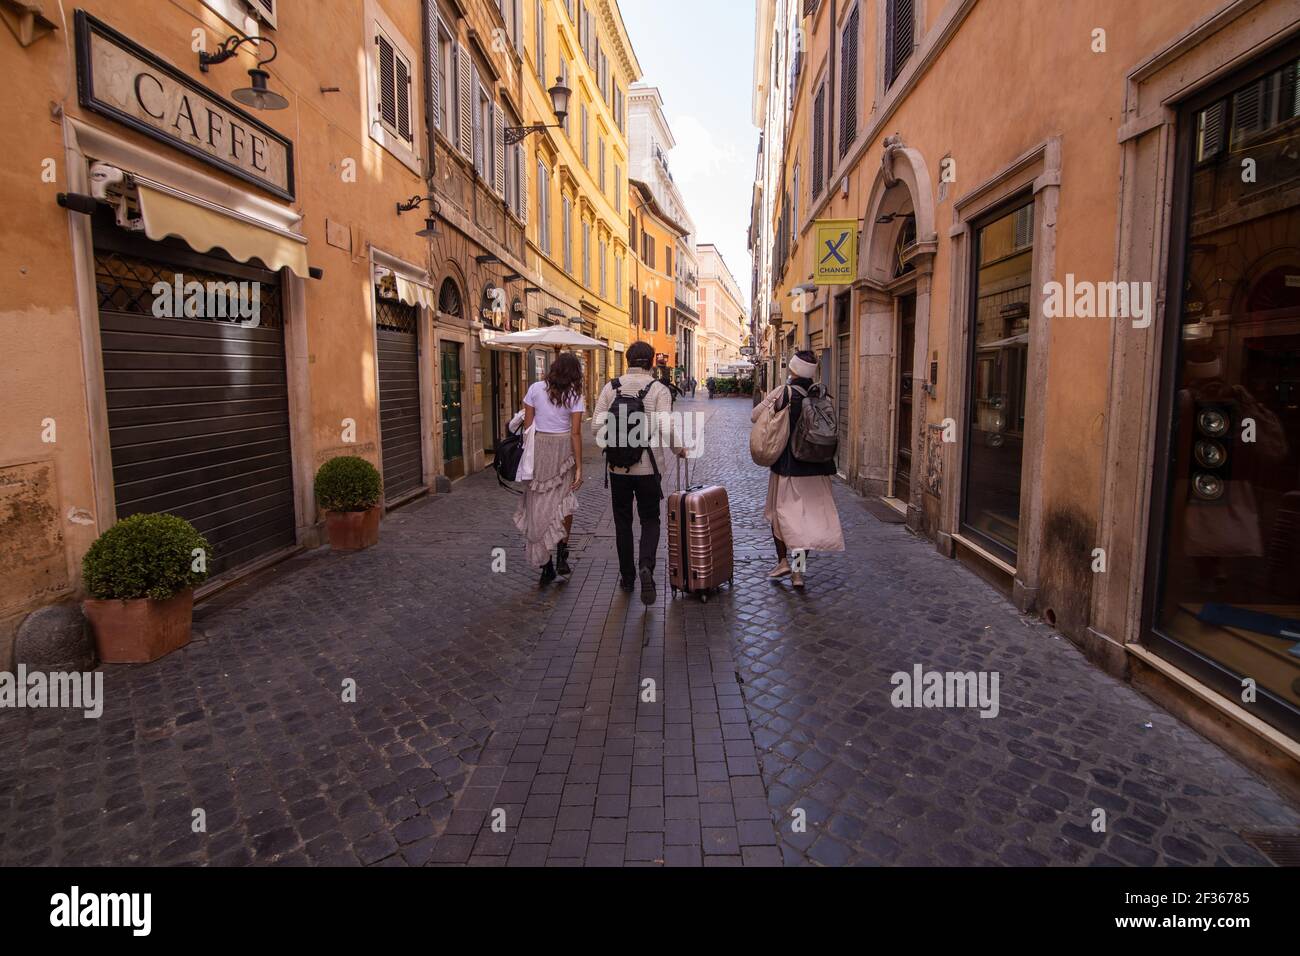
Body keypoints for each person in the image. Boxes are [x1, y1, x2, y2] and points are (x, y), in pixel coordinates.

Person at [593, 341, 686, 604]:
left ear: (628, 361)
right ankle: (646, 565)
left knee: (622, 522)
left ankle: (627, 577)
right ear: (652, 362)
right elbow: (666, 428)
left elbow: (595, 429)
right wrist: (679, 449)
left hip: (617, 468)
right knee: (650, 520)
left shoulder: (611, 388)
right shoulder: (658, 390)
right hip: (648, 467)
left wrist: (617, 438)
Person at [761, 350, 844, 588]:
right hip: (818, 468)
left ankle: (783, 561)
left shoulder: (784, 392)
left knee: (780, 517)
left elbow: (757, 416)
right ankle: (798, 573)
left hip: (787, 468)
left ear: (793, 369)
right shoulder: (822, 395)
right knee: (806, 523)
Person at [515, 352, 585, 586]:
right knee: (564, 501)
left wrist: (528, 457)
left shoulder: (535, 389)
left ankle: (546, 565)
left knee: (537, 502)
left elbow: (528, 426)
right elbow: (576, 433)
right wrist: (579, 467)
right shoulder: (575, 394)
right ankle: (562, 554)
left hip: (539, 449)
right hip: (563, 448)